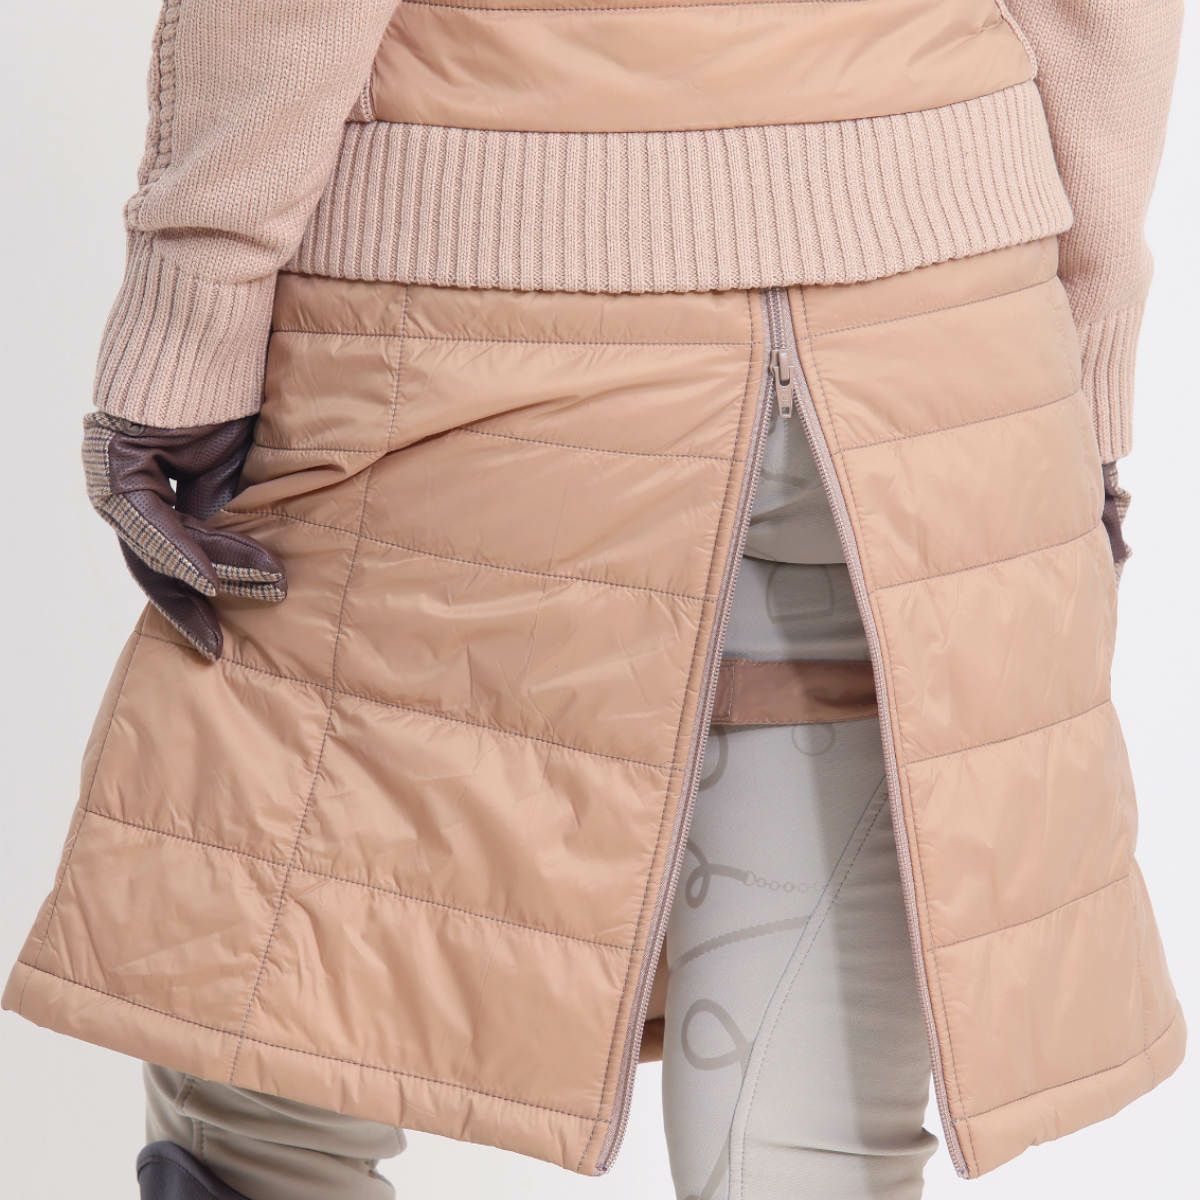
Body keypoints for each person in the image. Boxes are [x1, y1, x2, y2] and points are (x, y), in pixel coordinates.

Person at [3, 2, 1186, 1198]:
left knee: (264, 1057)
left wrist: (191, 322)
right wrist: (1076, 376)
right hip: (943, 340)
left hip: (482, 316)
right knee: (801, 1154)